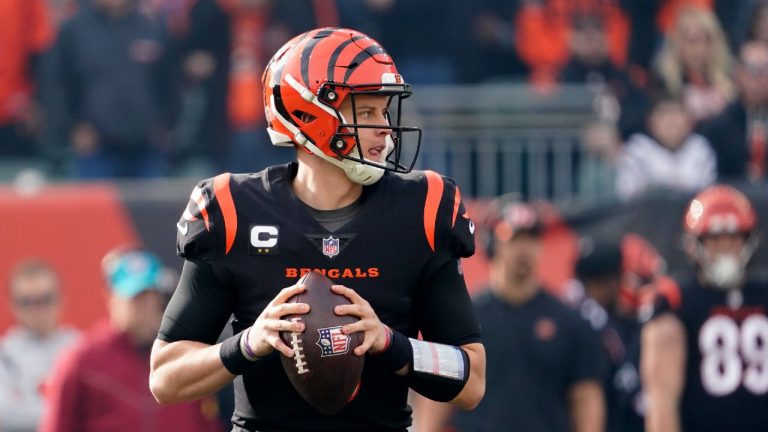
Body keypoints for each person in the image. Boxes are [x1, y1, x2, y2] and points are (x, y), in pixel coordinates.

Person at [149, 27, 486, 431]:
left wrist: (390, 344)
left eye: (384, 111)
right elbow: (164, 377)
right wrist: (249, 344)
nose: (384, 128)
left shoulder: (422, 208)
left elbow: (473, 381)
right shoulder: (232, 209)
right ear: (308, 114)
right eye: (365, 112)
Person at [443, 200, 605, 432]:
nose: (524, 250)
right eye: (515, 239)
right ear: (493, 245)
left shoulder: (569, 321)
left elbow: (586, 397)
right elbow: (439, 395)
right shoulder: (463, 315)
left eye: (532, 240)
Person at [38, 248, 221, 432]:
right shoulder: (79, 361)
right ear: (110, 297)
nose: (146, 305)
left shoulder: (182, 356)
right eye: (135, 297)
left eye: (151, 294)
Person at [642, 185, 768, 432]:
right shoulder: (677, 300)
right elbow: (661, 401)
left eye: (733, 238)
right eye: (715, 239)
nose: (725, 248)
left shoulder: (763, 294)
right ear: (694, 244)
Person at [0, 260, 80, 432]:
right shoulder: (4, 355)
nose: (38, 309)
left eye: (46, 299)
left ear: (61, 298)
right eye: (27, 301)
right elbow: (5, 413)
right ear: (12, 305)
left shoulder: (81, 348)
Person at [615, 96, 716, 201]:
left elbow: (707, 197)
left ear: (690, 120)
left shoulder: (699, 147)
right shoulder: (638, 149)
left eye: (677, 113)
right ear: (650, 121)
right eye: (663, 114)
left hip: (691, 214)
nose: (671, 122)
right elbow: (628, 195)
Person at [699, 41, 768, 182]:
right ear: (738, 74)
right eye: (752, 70)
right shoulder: (717, 127)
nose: (759, 79)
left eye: (765, 70)